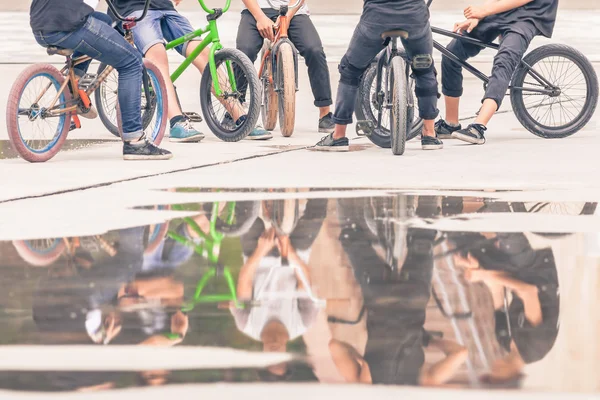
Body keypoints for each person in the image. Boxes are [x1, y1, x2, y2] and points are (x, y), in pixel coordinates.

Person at [109, 0, 271, 142]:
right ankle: (177, 122)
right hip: (133, 10)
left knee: (204, 53)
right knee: (157, 55)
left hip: (165, 7)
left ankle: (240, 117)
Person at [29, 0, 172, 160]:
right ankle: (135, 141)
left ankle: (74, 80)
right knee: (131, 62)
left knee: (105, 21)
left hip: (40, 25)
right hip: (68, 25)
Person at [314, 0, 442, 151]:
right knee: (424, 70)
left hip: (376, 20)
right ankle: (429, 134)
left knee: (350, 71)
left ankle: (338, 136)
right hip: (414, 18)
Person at [436, 0, 559, 145]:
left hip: (529, 17)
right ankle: (451, 123)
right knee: (451, 54)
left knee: (503, 62)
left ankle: (478, 128)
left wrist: (483, 12)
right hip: (502, 13)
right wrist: (477, 16)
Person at [237, 0, 335, 134]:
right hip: (256, 9)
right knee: (244, 51)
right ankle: (234, 110)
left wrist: (287, 16)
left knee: (314, 50)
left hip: (293, 11)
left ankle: (325, 113)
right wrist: (260, 17)